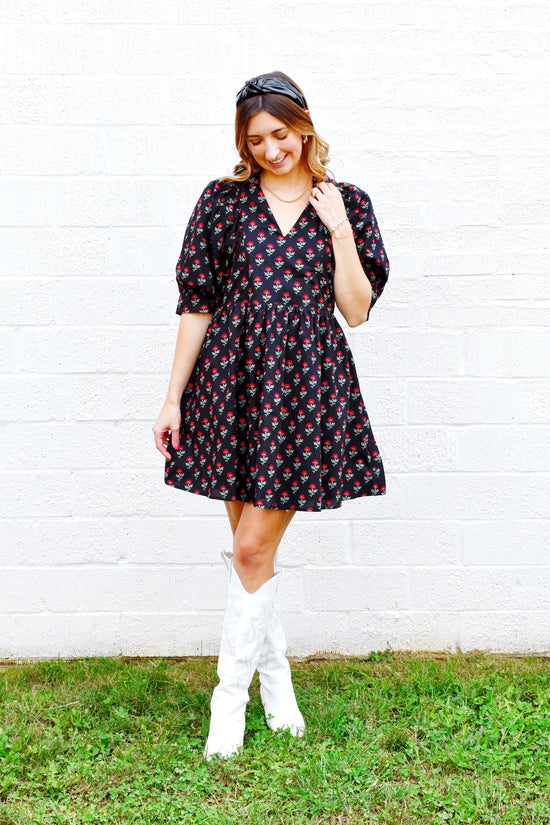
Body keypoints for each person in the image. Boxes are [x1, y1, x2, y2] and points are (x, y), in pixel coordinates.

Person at [152, 71, 389, 760]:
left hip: (305, 387)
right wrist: (172, 397)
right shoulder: (224, 202)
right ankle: (276, 682)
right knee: (255, 558)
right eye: (255, 140)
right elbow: (197, 303)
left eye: (280, 135)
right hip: (231, 384)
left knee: (252, 551)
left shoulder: (350, 205)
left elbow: (356, 308)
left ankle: (228, 701)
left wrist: (339, 229)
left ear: (305, 126)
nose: (270, 150)